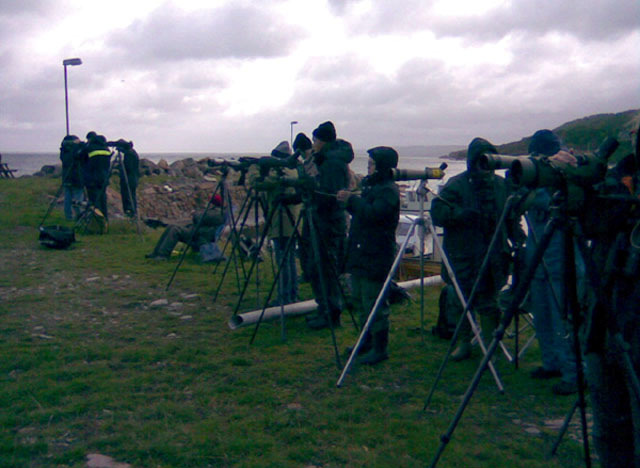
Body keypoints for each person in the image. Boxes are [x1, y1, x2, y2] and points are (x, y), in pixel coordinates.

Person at [431, 137, 523, 361]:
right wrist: (459, 215)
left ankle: (491, 344)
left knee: (489, 301)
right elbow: (438, 214)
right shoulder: (456, 184)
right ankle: (464, 343)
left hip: (494, 253)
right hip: (462, 253)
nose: (485, 167)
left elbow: (511, 217)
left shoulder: (501, 185)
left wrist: (518, 238)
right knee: (462, 301)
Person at [583, 123, 640, 467]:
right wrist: (579, 179)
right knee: (609, 424)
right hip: (605, 317)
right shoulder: (619, 179)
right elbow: (590, 223)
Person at [524, 129, 579, 395]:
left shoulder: (566, 173)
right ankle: (552, 363)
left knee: (563, 318)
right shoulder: (532, 176)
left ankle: (574, 372)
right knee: (543, 315)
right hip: (538, 255)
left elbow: (564, 202)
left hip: (562, 257)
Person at [337, 146, 400, 365]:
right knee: (360, 299)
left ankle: (379, 348)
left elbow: (374, 215)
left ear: (382, 165)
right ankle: (365, 340)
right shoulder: (373, 187)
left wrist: (351, 201)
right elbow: (364, 212)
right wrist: (353, 200)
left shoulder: (388, 190)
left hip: (376, 254)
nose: (368, 167)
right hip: (361, 251)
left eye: (372, 163)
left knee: (374, 302)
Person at [300, 121, 354, 330]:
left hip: (328, 222)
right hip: (324, 220)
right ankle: (325, 309)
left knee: (323, 268)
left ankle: (331, 313)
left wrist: (311, 188)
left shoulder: (332, 163)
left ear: (322, 141)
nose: (313, 144)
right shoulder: (328, 160)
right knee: (317, 267)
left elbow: (330, 195)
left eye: (315, 140)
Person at [255, 141, 302, 305]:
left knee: (282, 260)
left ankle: (284, 297)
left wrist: (261, 169)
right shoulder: (294, 170)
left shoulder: (279, 174)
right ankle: (293, 293)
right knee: (289, 260)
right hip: (294, 222)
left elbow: (258, 184)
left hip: (281, 221)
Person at [145, 194, 225, 260]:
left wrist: (196, 213)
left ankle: (163, 255)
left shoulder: (217, 214)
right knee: (171, 227)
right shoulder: (213, 211)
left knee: (174, 230)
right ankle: (156, 253)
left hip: (200, 237)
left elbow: (198, 218)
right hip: (197, 233)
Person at [81, 131, 112, 220]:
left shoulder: (90, 148)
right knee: (103, 199)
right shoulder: (106, 149)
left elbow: (79, 157)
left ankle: (96, 220)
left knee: (94, 200)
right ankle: (104, 218)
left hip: (91, 178)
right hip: (103, 178)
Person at [59, 134, 86, 220]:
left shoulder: (64, 152)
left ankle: (68, 216)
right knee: (78, 198)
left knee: (68, 198)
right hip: (77, 178)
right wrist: (81, 146)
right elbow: (82, 158)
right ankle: (79, 215)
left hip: (66, 177)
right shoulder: (76, 151)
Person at [114, 139, 140, 217]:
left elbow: (128, 167)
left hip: (128, 179)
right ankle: (132, 212)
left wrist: (119, 167)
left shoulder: (129, 154)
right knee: (131, 196)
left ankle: (130, 213)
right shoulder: (132, 152)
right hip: (133, 178)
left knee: (127, 196)